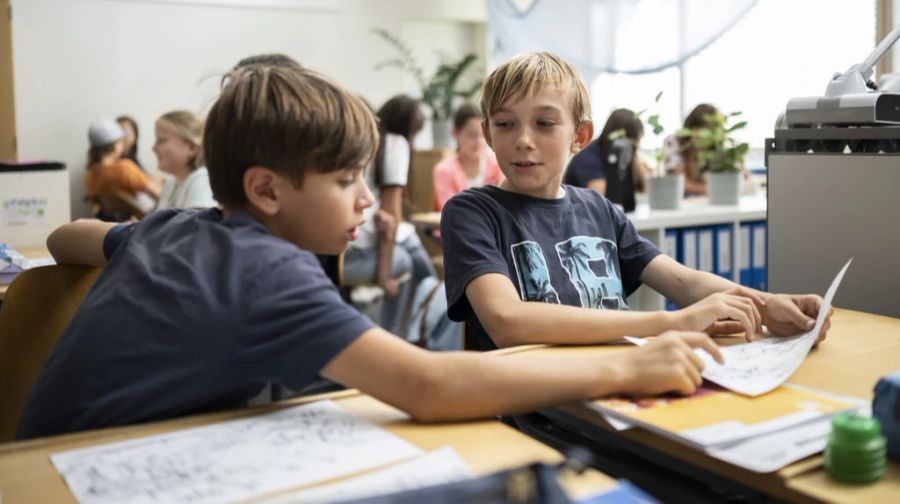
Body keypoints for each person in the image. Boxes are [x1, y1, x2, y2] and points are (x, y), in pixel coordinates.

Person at [17, 61, 722, 439]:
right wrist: (632, 361)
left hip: (45, 451)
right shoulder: (271, 270)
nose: (366, 201)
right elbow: (430, 385)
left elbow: (66, 237)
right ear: (266, 190)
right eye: (347, 180)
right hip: (93, 471)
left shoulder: (178, 228)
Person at [440, 52, 831, 351]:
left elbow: (681, 280)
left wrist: (768, 305)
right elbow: (507, 320)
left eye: (544, 123)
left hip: (628, 383)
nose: (523, 139)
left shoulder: (598, 209)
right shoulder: (471, 212)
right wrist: (672, 323)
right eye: (505, 123)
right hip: (544, 407)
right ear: (488, 134)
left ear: (580, 135)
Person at [342, 95, 438, 337]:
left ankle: (414, 331)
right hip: (349, 256)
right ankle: (401, 336)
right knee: (409, 261)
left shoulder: (360, 147)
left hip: (339, 253)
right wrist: (384, 278)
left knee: (412, 251)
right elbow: (390, 214)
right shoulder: (394, 144)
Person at [563, 108, 646, 211]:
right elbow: (598, 204)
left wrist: (633, 158)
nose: (636, 146)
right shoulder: (589, 157)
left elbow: (643, 186)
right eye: (636, 141)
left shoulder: (617, 158)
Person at [432, 103, 503, 211]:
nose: (478, 142)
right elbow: (451, 210)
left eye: (482, 135)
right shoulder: (444, 170)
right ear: (455, 133)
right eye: (472, 135)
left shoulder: (496, 163)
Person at [85, 118, 159, 218]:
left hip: (113, 226)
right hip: (141, 222)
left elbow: (95, 208)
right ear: (115, 145)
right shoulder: (125, 169)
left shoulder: (90, 173)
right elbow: (158, 195)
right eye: (121, 141)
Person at [153, 110, 216, 210]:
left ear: (191, 147)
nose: (154, 148)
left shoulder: (201, 181)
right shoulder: (170, 185)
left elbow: (196, 225)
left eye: (161, 140)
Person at [663, 103, 719, 196]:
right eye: (706, 129)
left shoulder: (716, 148)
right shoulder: (674, 142)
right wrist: (712, 190)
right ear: (693, 128)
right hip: (679, 200)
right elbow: (681, 183)